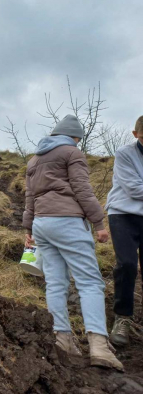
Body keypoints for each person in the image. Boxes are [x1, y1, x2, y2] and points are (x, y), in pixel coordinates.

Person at [23, 115, 123, 371]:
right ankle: (99, 346)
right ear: (74, 137)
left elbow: (30, 197)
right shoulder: (72, 153)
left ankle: (63, 338)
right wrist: (99, 223)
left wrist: (28, 228)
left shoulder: (34, 159)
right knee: (89, 282)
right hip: (67, 221)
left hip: (42, 225)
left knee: (55, 283)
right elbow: (82, 188)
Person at [106, 115, 143, 347]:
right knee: (127, 264)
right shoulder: (124, 154)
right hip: (123, 214)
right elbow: (133, 189)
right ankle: (123, 317)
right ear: (135, 134)